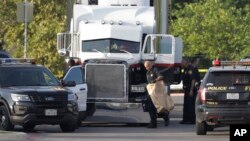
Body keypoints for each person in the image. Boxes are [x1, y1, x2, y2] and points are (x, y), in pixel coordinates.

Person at [144, 60, 170, 128]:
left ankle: (164, 116)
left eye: (147, 66)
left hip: (156, 92)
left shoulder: (155, 70)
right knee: (149, 107)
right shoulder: (148, 72)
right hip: (150, 91)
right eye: (145, 67)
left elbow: (161, 76)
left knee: (157, 107)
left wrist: (154, 80)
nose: (146, 68)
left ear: (150, 65)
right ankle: (153, 122)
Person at [180, 58, 198, 124]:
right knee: (186, 105)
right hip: (186, 89)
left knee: (191, 105)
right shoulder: (185, 69)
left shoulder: (190, 69)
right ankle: (186, 119)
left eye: (182, 62)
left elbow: (193, 80)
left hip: (190, 89)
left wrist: (191, 90)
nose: (181, 63)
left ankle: (192, 120)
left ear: (186, 62)